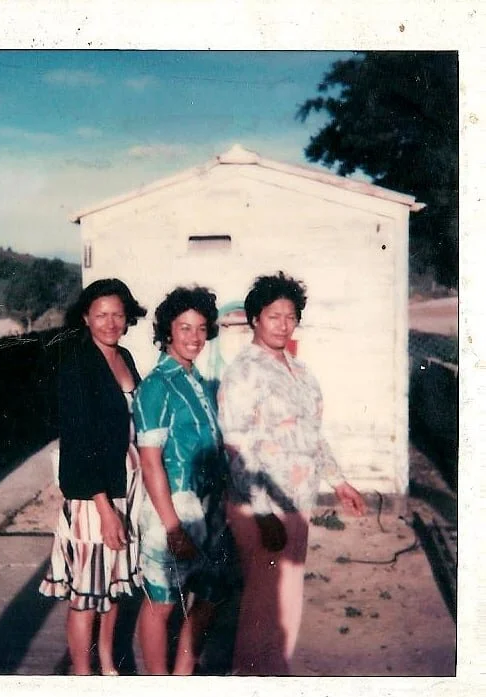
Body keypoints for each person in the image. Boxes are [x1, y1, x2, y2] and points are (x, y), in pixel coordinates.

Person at [218, 271, 366, 676]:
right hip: (260, 507)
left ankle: (276, 676)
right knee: (262, 607)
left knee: (286, 600)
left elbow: (312, 434)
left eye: (290, 316)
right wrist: (262, 512)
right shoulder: (243, 371)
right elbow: (236, 447)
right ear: (254, 320)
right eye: (273, 316)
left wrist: (338, 482)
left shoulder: (300, 371)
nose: (283, 324)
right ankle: (250, 685)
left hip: (297, 502)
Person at [39, 279, 147, 675]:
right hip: (93, 494)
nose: (110, 322)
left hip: (127, 486)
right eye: (101, 314)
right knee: (87, 590)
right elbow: (80, 440)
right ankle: (83, 674)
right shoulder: (77, 365)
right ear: (85, 317)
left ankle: (106, 662)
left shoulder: (126, 358)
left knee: (115, 582)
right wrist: (104, 508)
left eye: (118, 314)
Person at [132, 286, 227, 675]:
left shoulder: (199, 382)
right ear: (167, 331)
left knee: (210, 593)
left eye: (201, 328)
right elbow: (151, 463)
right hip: (170, 507)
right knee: (162, 603)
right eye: (184, 327)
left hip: (208, 508)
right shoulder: (157, 386)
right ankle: (159, 689)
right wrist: (173, 527)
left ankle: (182, 676)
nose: (194, 337)